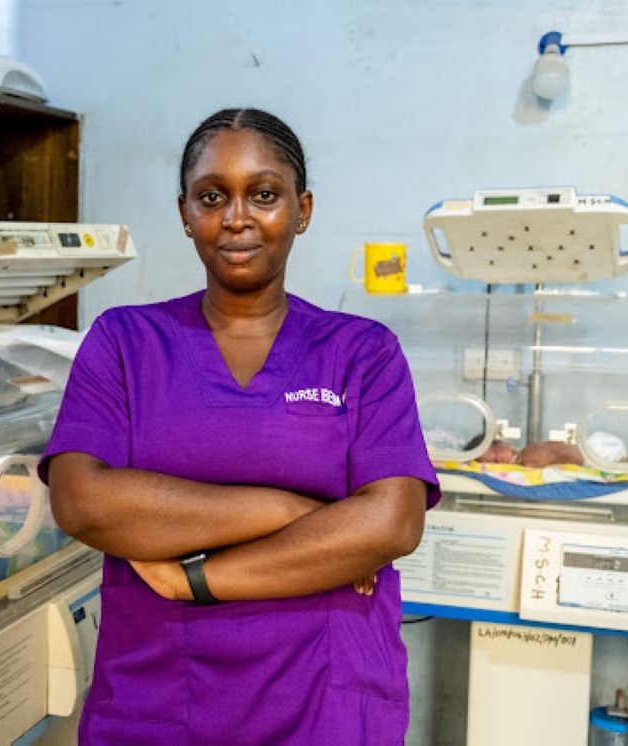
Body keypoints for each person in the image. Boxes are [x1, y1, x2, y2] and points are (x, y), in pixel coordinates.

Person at [40, 108, 440, 744]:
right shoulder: (126, 340)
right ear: (184, 212)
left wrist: (192, 578)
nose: (236, 217)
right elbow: (82, 501)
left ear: (301, 209)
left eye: (263, 194)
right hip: (160, 693)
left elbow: (393, 522)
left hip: (325, 698)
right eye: (211, 196)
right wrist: (296, 513)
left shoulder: (362, 351)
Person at [468, 435, 628, 469]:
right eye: (490, 462)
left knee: (618, 465)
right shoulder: (523, 456)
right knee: (621, 459)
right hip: (594, 444)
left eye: (496, 453)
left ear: (504, 443)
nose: (498, 461)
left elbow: (547, 455)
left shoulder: (525, 453)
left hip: (595, 451)